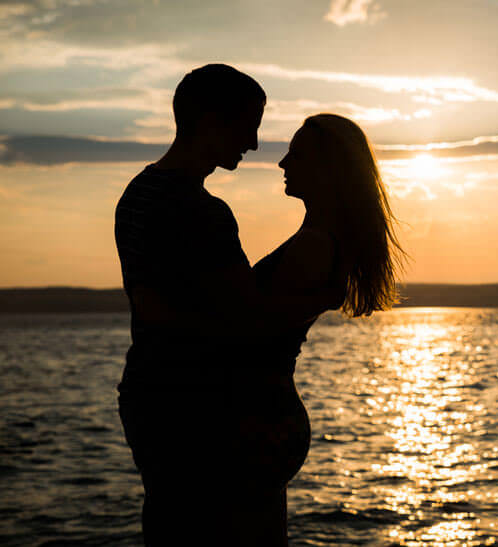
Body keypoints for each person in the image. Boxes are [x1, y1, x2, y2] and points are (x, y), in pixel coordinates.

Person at [114, 65, 341, 546]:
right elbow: (247, 320)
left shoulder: (137, 194)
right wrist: (322, 298)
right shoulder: (202, 212)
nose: (256, 144)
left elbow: (161, 307)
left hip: (150, 399)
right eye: (249, 125)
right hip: (199, 418)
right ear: (210, 120)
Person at [233, 113, 407, 543]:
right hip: (265, 413)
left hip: (259, 418)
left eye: (296, 153)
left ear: (327, 168)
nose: (282, 163)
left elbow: (254, 333)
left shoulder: (315, 245)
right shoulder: (320, 237)